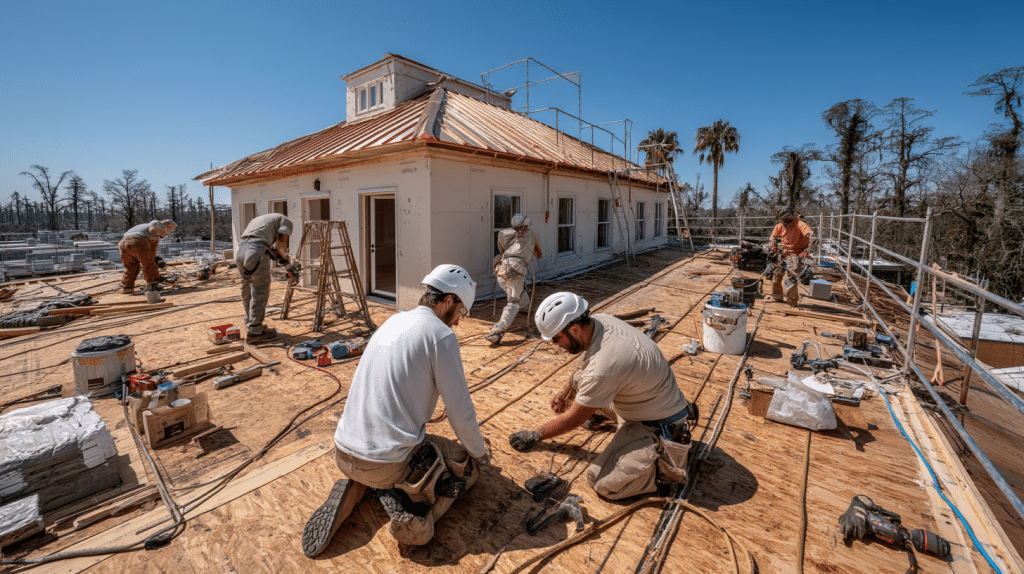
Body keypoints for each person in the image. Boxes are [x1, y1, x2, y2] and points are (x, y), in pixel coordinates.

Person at [302, 264, 490, 556]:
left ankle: (362, 487)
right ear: (449, 302)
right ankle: (415, 521)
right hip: (385, 463)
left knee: (391, 455)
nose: (458, 322)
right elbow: (460, 412)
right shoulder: (441, 336)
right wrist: (479, 452)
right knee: (468, 467)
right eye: (461, 313)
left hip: (343, 451)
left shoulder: (392, 321)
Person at [508, 292, 696, 500]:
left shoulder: (605, 365)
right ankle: (601, 415)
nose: (555, 345)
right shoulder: (600, 322)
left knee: (602, 482)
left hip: (652, 421)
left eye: (556, 339)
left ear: (575, 329)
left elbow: (574, 419)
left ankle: (664, 466)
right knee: (582, 381)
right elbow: (582, 371)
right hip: (649, 398)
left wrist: (536, 434)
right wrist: (565, 393)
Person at [235, 213, 293, 343]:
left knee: (246, 288)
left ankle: (251, 323)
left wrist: (285, 264)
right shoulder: (287, 221)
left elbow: (269, 250)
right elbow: (281, 248)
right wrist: (290, 267)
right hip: (255, 250)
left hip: (241, 251)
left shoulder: (261, 222)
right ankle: (255, 332)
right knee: (260, 290)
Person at [485, 214, 542, 345]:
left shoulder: (505, 234)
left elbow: (502, 250)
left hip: (501, 269)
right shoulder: (531, 233)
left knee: (516, 290)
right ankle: (498, 330)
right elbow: (539, 252)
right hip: (516, 269)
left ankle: (525, 307)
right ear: (525, 224)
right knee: (513, 302)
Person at [769, 206, 817, 306]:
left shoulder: (800, 225)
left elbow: (810, 234)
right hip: (782, 254)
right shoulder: (780, 226)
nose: (785, 221)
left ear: (791, 216)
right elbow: (773, 237)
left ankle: (792, 301)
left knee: (790, 280)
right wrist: (772, 249)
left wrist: (810, 238)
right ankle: (777, 296)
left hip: (795, 254)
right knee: (776, 275)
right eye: (783, 219)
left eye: (787, 218)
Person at [119, 220, 174, 294]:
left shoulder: (143, 226)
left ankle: (127, 287)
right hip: (138, 241)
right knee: (149, 264)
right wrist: (154, 260)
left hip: (122, 243)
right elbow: (152, 251)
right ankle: (152, 285)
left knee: (131, 266)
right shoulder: (155, 230)